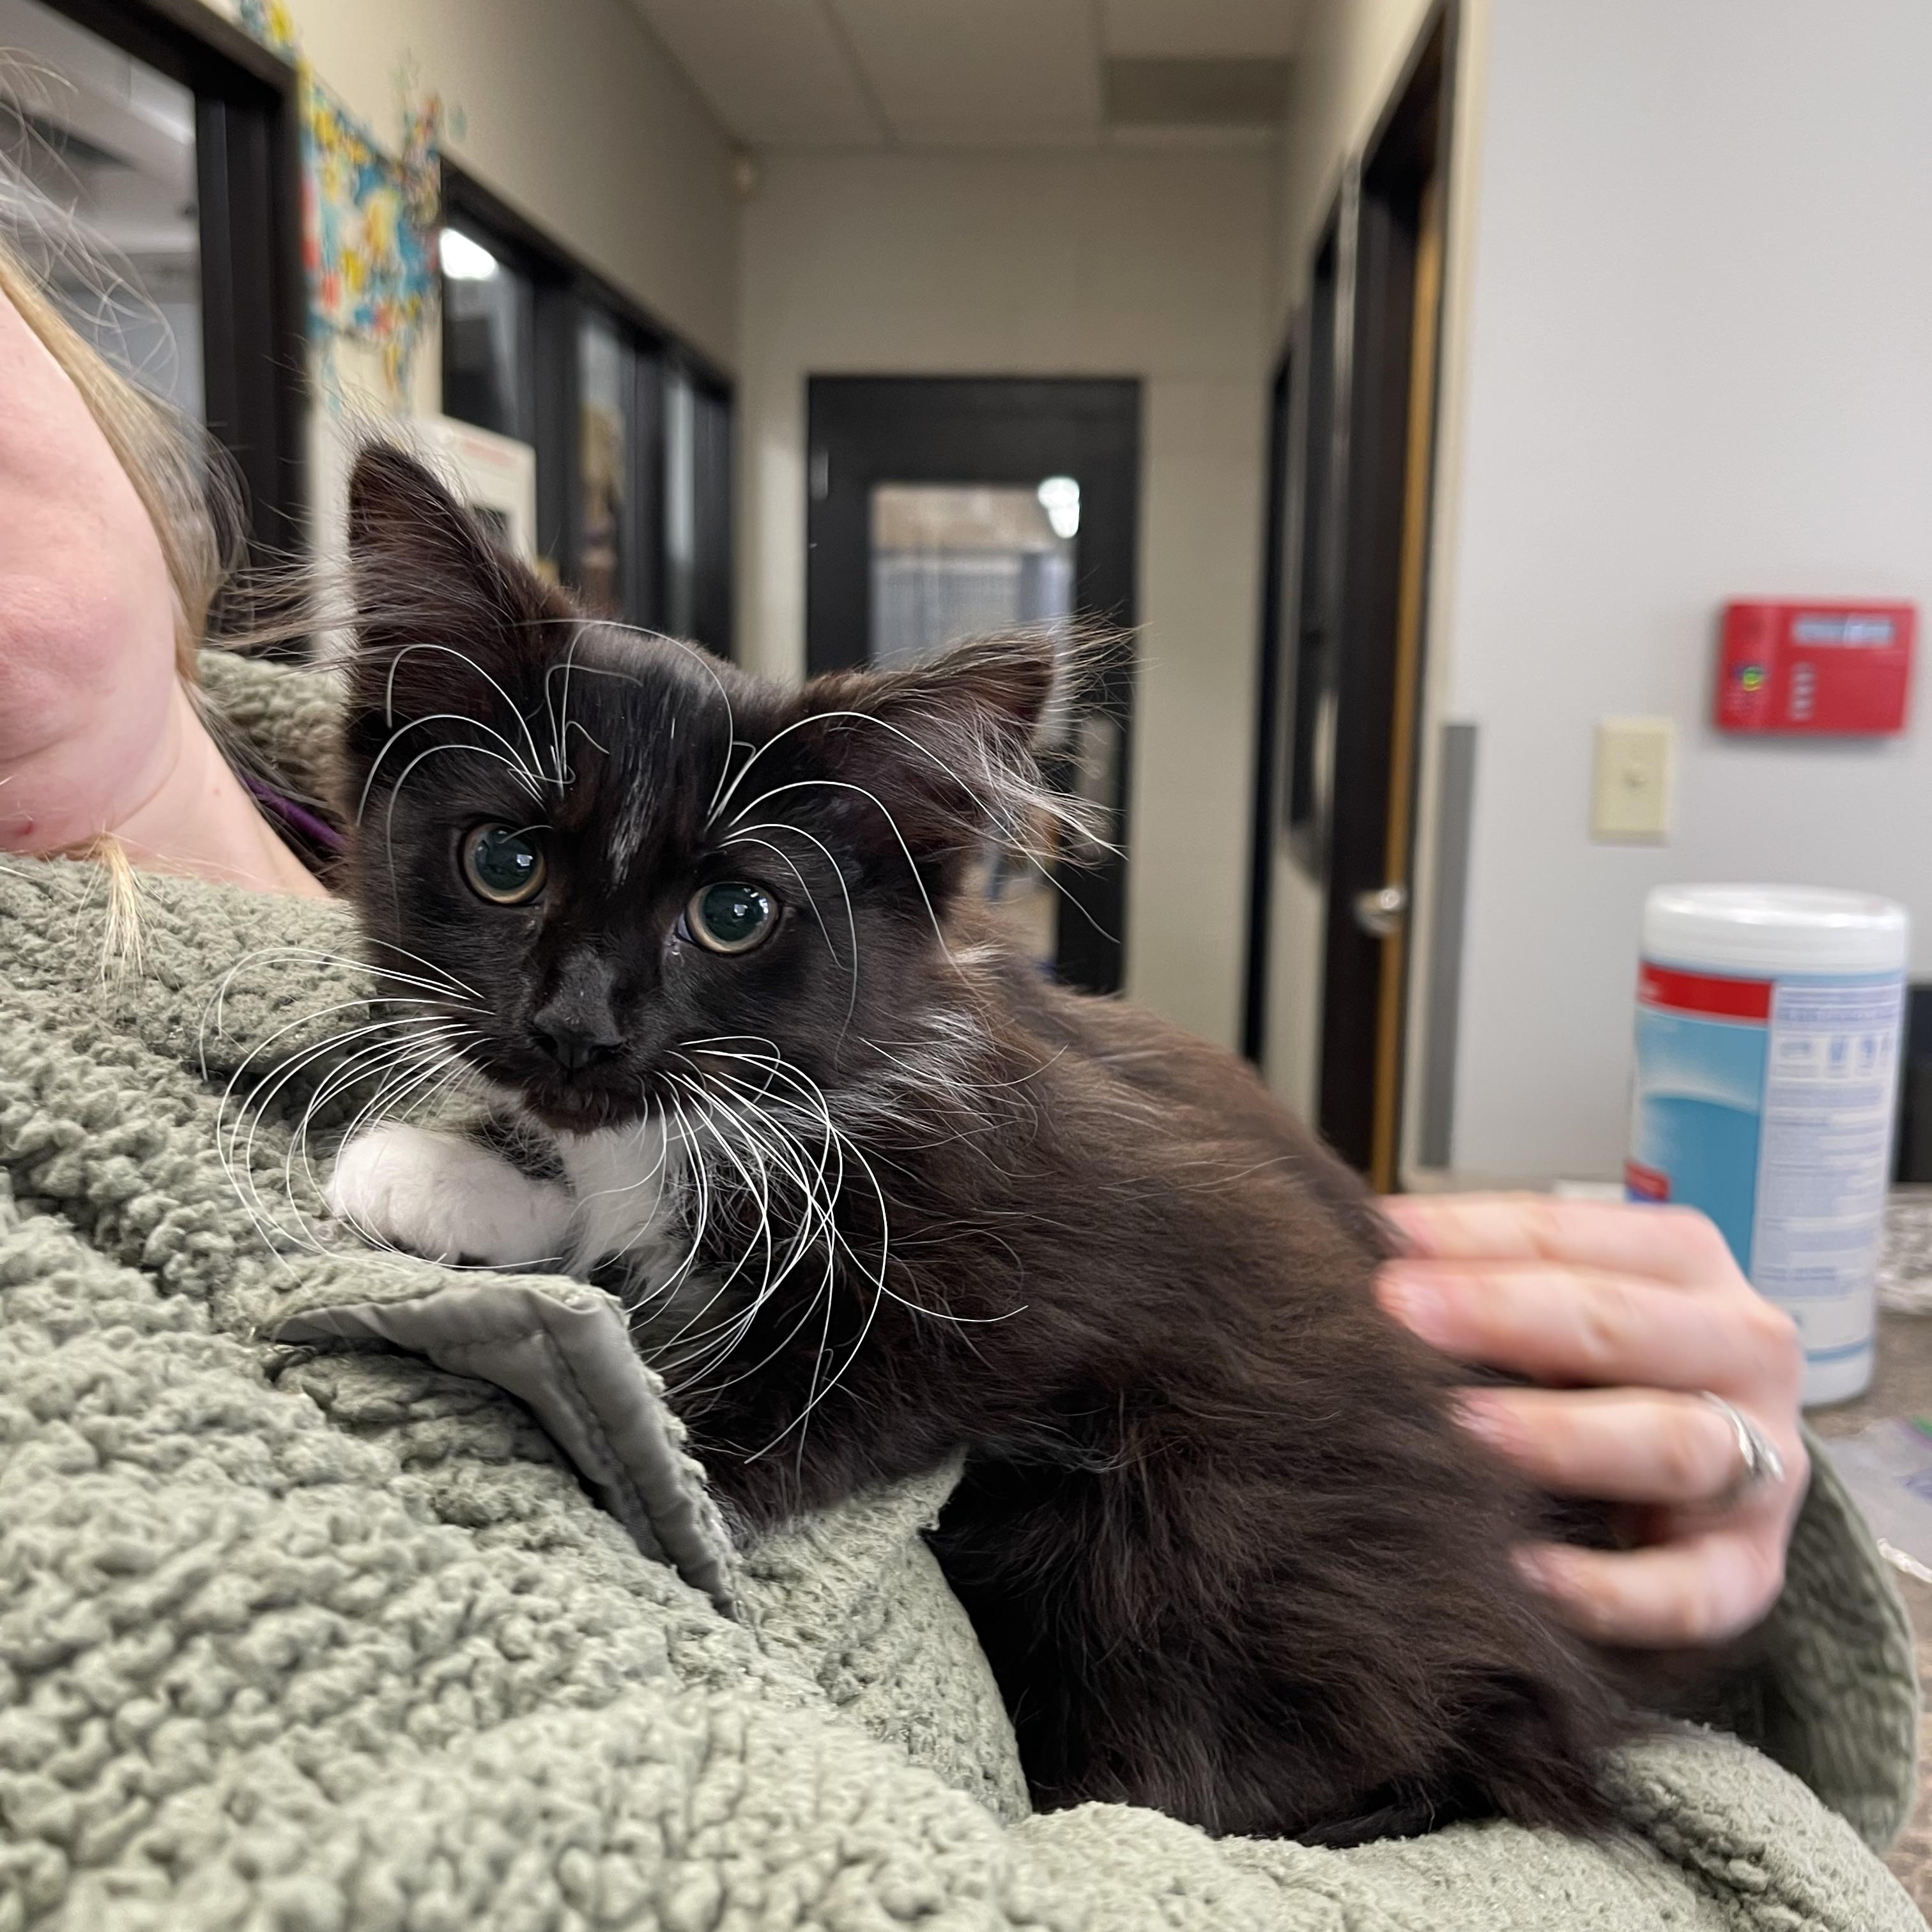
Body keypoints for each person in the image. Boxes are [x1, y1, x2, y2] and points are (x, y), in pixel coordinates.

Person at [0, 218, 1917, 1928]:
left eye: (729, 923)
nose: (582, 1010)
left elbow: (993, 1322)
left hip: (1271, 1642)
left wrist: (1712, 1490)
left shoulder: (910, 1137)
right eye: (503, 866)